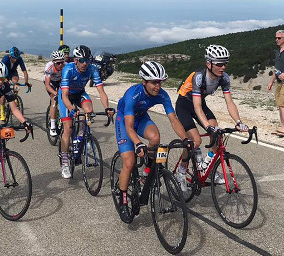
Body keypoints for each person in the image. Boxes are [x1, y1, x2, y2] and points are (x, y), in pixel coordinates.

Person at [115, 61, 193, 224]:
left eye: (160, 82)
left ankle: (146, 172)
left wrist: (186, 139)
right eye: (153, 82)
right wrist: (138, 143)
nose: (157, 86)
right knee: (129, 163)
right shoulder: (132, 94)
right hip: (125, 121)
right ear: (144, 81)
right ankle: (122, 199)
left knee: (155, 138)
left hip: (142, 118)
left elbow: (173, 119)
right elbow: (129, 127)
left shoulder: (162, 95)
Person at [175, 44, 249, 185]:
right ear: (208, 64)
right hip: (184, 104)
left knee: (217, 132)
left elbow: (229, 102)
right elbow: (196, 107)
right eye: (219, 64)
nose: (223, 67)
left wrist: (239, 122)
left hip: (199, 103)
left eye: (225, 64)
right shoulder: (198, 77)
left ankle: (210, 168)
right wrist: (207, 126)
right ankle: (182, 170)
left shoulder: (224, 78)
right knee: (195, 141)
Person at [59, 45, 115, 179]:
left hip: (79, 94)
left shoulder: (92, 69)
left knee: (89, 111)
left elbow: (101, 92)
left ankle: (82, 136)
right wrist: (72, 110)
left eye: (87, 60)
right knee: (68, 128)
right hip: (66, 96)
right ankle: (65, 162)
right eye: (82, 60)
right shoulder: (68, 69)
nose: (85, 63)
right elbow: (65, 96)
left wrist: (107, 108)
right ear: (76, 60)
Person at [0, 46, 31, 122]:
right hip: (4, 72)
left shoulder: (19, 59)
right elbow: (1, 71)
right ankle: (2, 111)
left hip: (13, 72)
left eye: (17, 58)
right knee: (4, 92)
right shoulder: (5, 59)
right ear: (10, 56)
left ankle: (15, 96)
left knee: (16, 82)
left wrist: (26, 82)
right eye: (14, 58)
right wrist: (5, 80)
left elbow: (25, 72)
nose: (15, 60)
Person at [44, 50, 66, 136]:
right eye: (58, 63)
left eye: (62, 62)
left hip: (60, 81)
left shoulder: (66, 66)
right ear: (53, 63)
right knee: (54, 100)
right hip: (51, 83)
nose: (61, 65)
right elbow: (47, 85)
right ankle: (53, 126)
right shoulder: (49, 67)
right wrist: (56, 93)